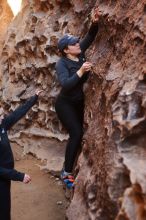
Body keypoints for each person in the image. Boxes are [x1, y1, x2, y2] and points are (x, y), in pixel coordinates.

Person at [55, 8, 100, 189]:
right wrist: (81, 71)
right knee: (76, 133)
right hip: (64, 104)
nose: (78, 43)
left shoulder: (80, 53)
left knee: (81, 133)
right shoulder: (62, 63)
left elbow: (90, 36)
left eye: (76, 41)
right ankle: (66, 172)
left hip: (78, 102)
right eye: (74, 43)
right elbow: (65, 84)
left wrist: (95, 21)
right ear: (66, 50)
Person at [0, 90, 43, 220]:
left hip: (5, 177)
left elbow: (17, 114)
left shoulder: (2, 125)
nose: (3, 116)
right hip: (2, 176)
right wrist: (19, 176)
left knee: (5, 208)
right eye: (0, 114)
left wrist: (33, 99)